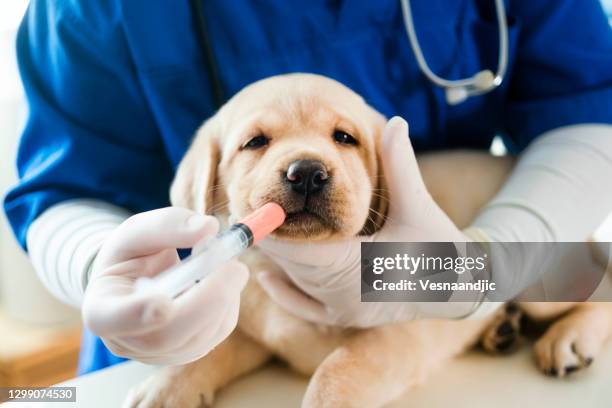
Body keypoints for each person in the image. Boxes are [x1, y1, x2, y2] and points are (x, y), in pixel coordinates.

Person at [4, 0, 612, 373]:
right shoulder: (82, 10)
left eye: (344, 140)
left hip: (460, 266)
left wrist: (476, 269)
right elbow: (61, 188)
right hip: (173, 323)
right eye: (258, 142)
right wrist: (96, 270)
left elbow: (589, 109)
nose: (305, 168)